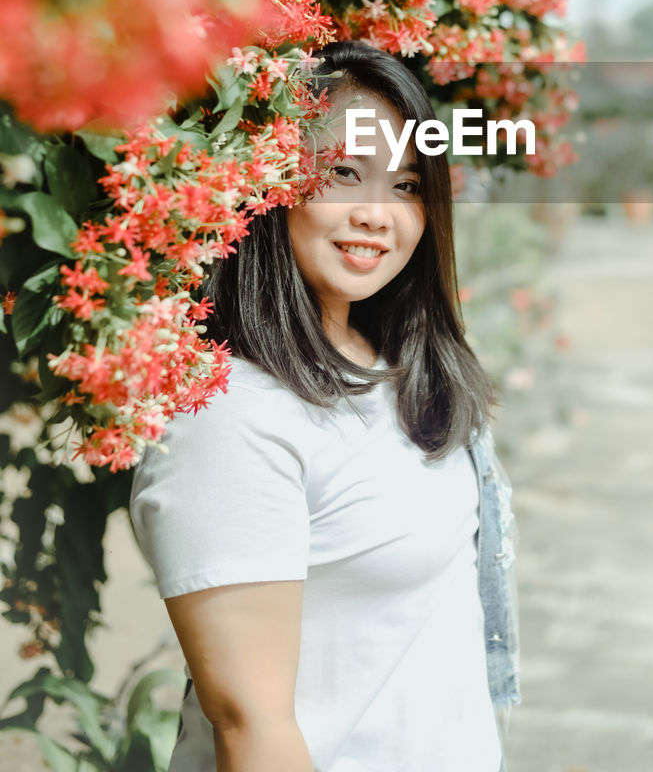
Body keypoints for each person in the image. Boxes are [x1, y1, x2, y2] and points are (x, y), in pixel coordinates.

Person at [129, 39, 521, 772]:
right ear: (271, 182)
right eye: (344, 174)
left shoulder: (397, 369)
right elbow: (253, 726)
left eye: (406, 186)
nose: (378, 215)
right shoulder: (231, 415)